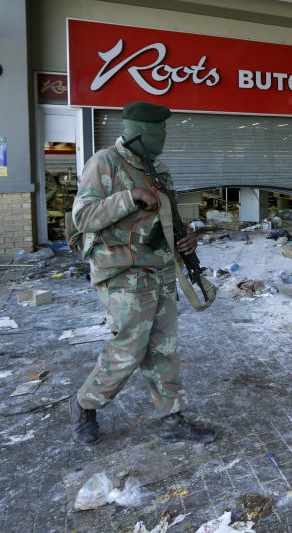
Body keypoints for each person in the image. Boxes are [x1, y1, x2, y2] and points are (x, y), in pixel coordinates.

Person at [69, 101, 215, 445]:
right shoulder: (105, 162)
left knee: (163, 348)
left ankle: (172, 419)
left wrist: (186, 239)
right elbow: (83, 217)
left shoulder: (158, 170)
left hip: (160, 270)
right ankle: (84, 405)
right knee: (128, 349)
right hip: (123, 272)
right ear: (141, 131)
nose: (164, 134)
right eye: (160, 128)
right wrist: (129, 197)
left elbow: (169, 218)